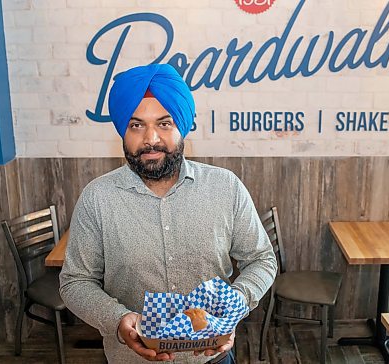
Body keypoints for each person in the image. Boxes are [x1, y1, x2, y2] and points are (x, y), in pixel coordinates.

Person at [59, 64, 277, 364]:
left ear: (182, 126)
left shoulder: (225, 187)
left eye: (164, 123)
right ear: (123, 130)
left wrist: (235, 305)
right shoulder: (97, 198)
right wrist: (118, 320)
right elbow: (75, 282)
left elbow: (262, 260)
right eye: (136, 125)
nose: (151, 139)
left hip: (212, 357)